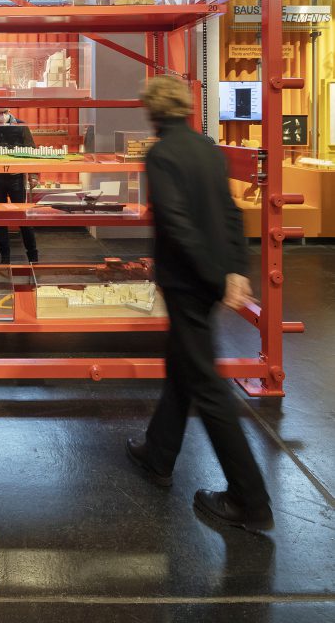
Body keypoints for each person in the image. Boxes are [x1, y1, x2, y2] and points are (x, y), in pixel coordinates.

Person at [126, 75, 274, 533]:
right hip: (210, 280)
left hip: (188, 281)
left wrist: (213, 274)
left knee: (207, 386)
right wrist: (234, 270)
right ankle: (159, 453)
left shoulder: (161, 154)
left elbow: (175, 223)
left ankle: (249, 498)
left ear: (152, 111)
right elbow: (232, 214)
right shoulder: (208, 148)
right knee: (184, 366)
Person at [0, 108, 39, 264]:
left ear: (9, 110)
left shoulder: (21, 126)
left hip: (17, 177)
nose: (1, 115)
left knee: (23, 218)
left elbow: (31, 150)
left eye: (4, 111)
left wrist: (33, 175)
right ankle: (4, 257)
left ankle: (33, 255)